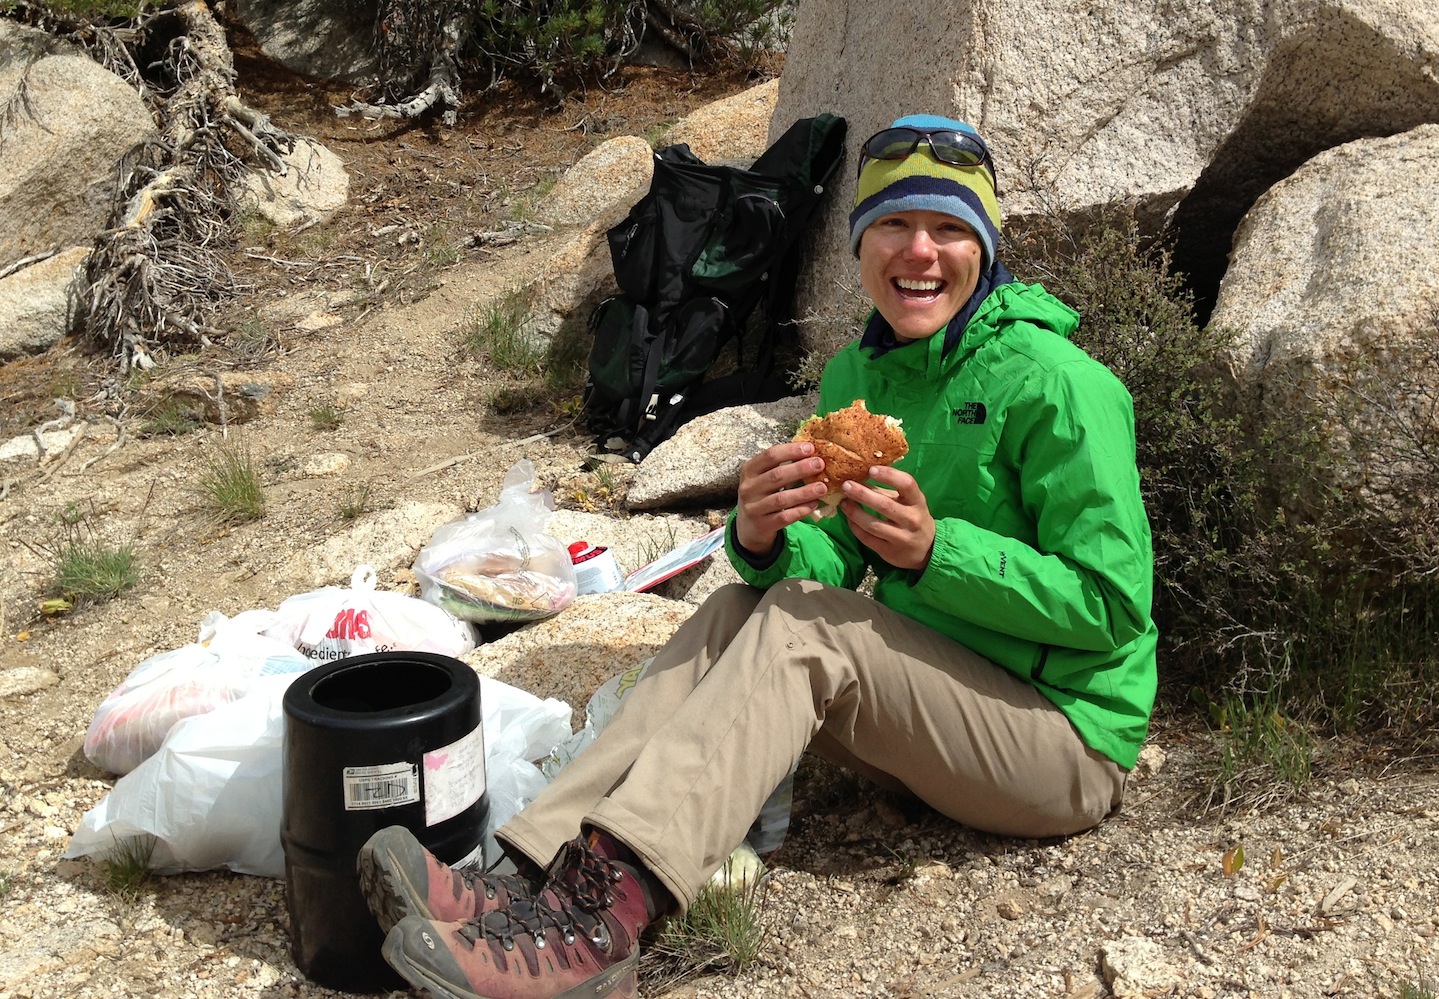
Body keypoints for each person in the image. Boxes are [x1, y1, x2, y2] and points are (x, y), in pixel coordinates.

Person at [358, 113, 1159, 999]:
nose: (918, 252)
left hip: (1061, 742)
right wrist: (765, 536)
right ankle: (531, 875)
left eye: (948, 228)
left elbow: (1111, 608)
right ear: (859, 244)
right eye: (892, 224)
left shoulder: (1059, 383)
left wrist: (940, 555)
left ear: (984, 247)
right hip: (935, 705)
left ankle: (600, 925)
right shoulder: (859, 378)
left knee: (807, 630)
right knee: (737, 609)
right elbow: (833, 560)